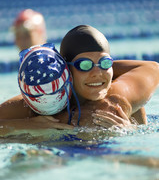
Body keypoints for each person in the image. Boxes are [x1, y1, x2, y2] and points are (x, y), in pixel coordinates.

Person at [0, 25, 159, 133]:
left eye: (105, 62)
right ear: (66, 71)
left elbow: (153, 68)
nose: (97, 73)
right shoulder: (41, 101)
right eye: (84, 65)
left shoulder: (116, 99)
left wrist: (130, 131)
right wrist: (27, 126)